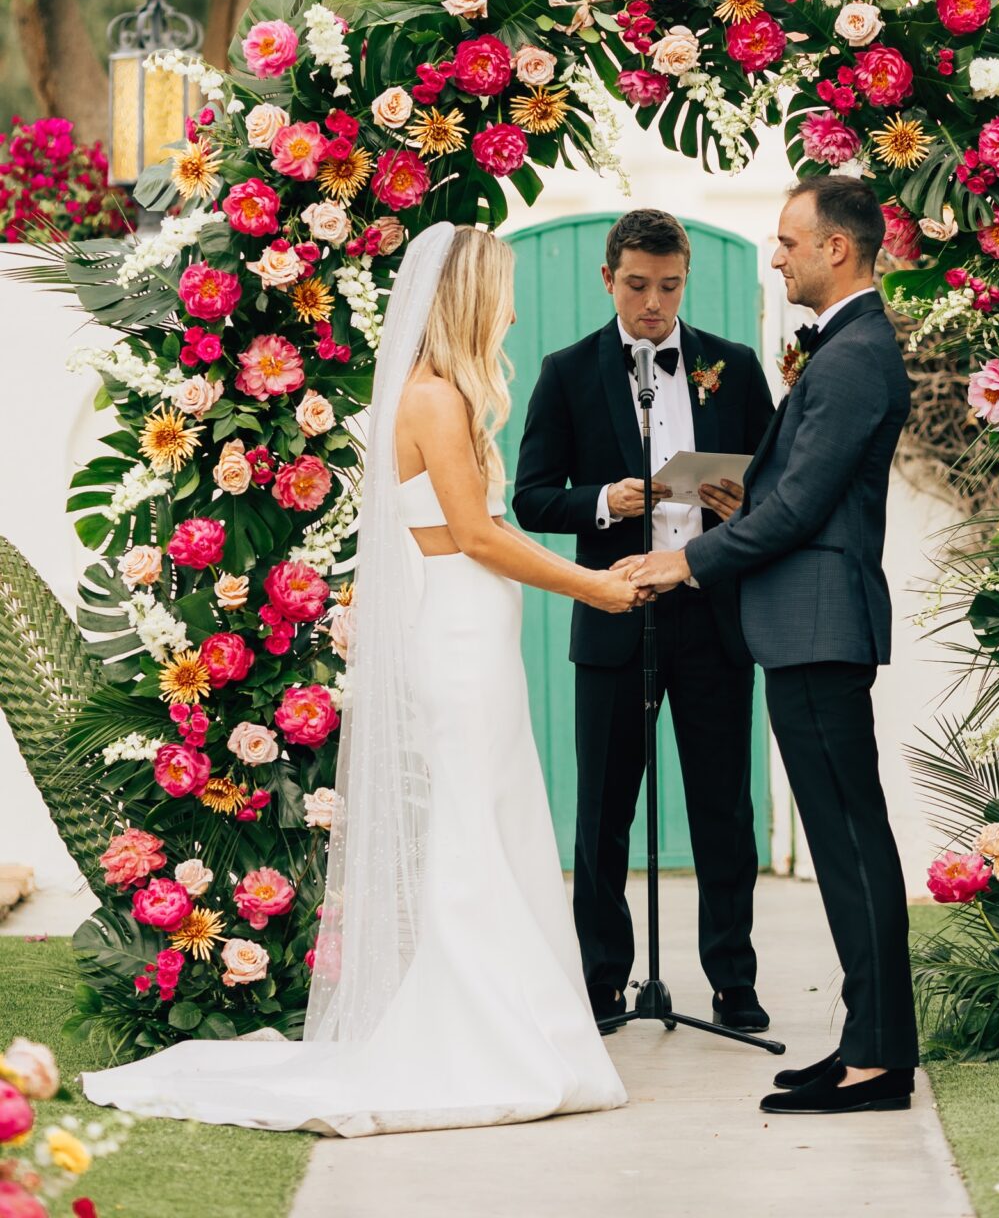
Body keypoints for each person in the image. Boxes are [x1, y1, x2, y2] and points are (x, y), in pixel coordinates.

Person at [83, 224, 633, 1135]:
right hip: (458, 634)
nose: (512, 307)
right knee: (470, 826)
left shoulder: (441, 394)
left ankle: (512, 1023)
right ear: (467, 299)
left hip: (472, 631)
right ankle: (483, 1034)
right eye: (501, 290)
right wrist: (594, 586)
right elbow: (480, 536)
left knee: (490, 817)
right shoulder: (433, 400)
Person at [623, 177, 919, 1116]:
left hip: (819, 624)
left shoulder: (856, 355)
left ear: (839, 248)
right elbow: (790, 491)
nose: (777, 255)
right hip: (805, 625)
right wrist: (738, 498)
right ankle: (865, 1041)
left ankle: (878, 1060)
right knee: (842, 843)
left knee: (851, 844)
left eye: (789, 240)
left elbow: (800, 511)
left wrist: (687, 563)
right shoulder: (843, 349)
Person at [513, 209, 775, 1032]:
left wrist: (740, 503)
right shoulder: (564, 371)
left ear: (684, 278)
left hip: (712, 617)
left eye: (668, 286)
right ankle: (602, 983)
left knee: (724, 810)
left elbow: (777, 486)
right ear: (608, 279)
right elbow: (528, 498)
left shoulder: (733, 367)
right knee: (603, 813)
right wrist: (601, 500)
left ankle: (733, 982)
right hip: (614, 615)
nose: (653, 303)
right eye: (637, 286)